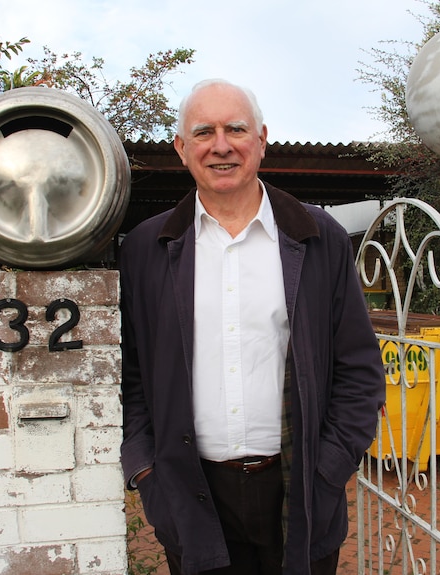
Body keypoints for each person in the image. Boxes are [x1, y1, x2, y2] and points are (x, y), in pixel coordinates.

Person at [119, 78, 385, 575]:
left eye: (235, 129)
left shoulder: (316, 237)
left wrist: (329, 468)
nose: (221, 145)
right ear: (181, 148)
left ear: (261, 140)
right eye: (204, 132)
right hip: (189, 489)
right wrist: (147, 471)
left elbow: (360, 368)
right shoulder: (146, 248)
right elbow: (131, 376)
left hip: (301, 485)